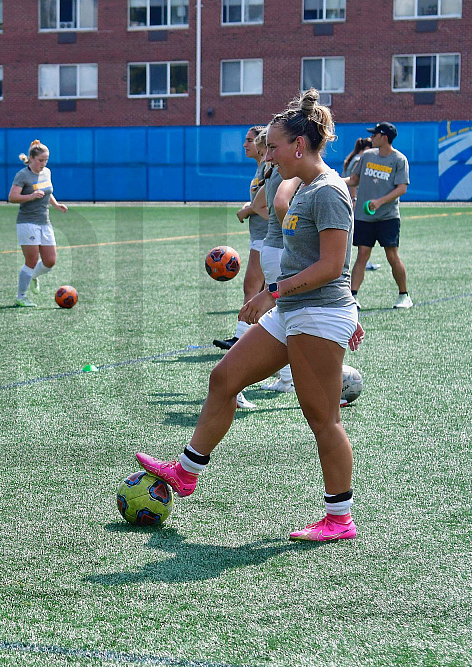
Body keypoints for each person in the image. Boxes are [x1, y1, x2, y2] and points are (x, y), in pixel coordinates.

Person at [135, 89, 365, 542]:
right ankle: (186, 472)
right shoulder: (301, 186)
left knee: (322, 420)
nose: (268, 153)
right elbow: (303, 245)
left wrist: (272, 292)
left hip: (317, 315)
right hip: (296, 309)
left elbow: (333, 266)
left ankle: (339, 518)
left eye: (274, 146)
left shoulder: (330, 192)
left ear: (298, 146)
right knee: (224, 378)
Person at [215, 126, 268, 410]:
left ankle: (240, 341)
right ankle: (286, 378)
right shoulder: (264, 170)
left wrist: (247, 209)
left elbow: (270, 207)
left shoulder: (272, 169)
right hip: (263, 238)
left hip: (271, 240)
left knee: (258, 293)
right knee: (273, 308)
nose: (245, 144)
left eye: (250, 140)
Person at [344, 122, 412, 309]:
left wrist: (379, 202)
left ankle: (404, 295)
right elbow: (354, 180)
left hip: (388, 216)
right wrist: (333, 180)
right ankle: (352, 297)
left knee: (392, 255)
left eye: (375, 135)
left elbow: (402, 188)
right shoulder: (366, 156)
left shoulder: (399, 159)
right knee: (362, 254)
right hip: (364, 217)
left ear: (384, 137)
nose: (371, 138)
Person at [256, 132, 302, 394]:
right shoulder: (290, 174)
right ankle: (287, 378)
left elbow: (257, 205)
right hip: (281, 248)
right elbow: (280, 202)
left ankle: (286, 379)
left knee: (282, 312)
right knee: (286, 314)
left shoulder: (271, 172)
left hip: (270, 247)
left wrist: (275, 223)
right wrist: (293, 233)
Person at [8, 140, 68, 307]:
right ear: (31, 159)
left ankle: (33, 276)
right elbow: (12, 197)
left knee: (50, 261)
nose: (43, 163)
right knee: (32, 260)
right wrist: (30, 197)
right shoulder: (23, 175)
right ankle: (21, 296)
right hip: (27, 222)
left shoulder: (47, 172)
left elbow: (47, 191)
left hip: (44, 222)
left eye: (46, 160)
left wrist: (56, 205)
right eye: (40, 160)